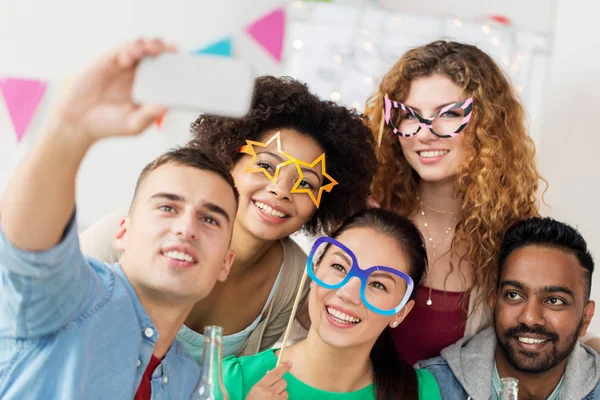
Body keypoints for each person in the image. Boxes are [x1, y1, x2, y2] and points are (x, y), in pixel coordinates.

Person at [0, 39, 240, 399]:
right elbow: (29, 255)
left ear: (225, 263)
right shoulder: (70, 300)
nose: (186, 228)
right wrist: (70, 127)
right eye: (167, 207)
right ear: (122, 232)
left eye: (209, 220)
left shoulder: (189, 381)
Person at [79, 75, 378, 359]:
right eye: (267, 166)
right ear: (229, 160)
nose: (281, 190)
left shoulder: (294, 281)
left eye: (306, 184)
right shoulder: (124, 236)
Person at [364, 40, 546, 364]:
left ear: (488, 125)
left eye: (449, 115)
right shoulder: (368, 220)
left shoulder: (516, 241)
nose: (424, 133)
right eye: (409, 115)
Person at [222, 208, 441, 400]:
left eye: (378, 285)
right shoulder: (233, 381)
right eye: (339, 267)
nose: (347, 293)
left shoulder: (420, 392)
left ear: (401, 312)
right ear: (316, 269)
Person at [417, 217, 600, 400]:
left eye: (554, 300)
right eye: (514, 295)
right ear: (494, 302)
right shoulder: (429, 388)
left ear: (586, 317)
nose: (529, 317)